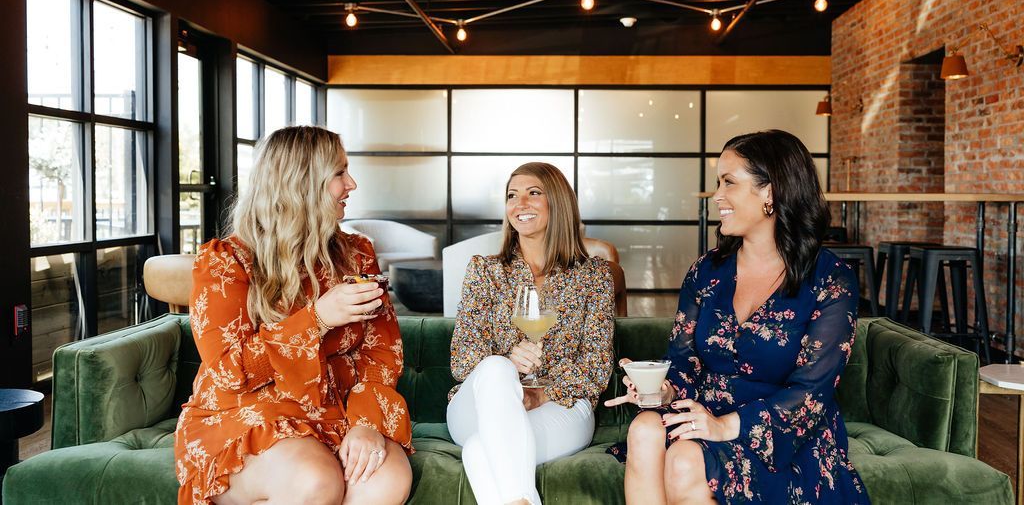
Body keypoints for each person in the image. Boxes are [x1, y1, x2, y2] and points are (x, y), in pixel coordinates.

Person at [606, 130, 869, 505]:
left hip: (783, 431)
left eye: (729, 182)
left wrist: (724, 426)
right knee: (645, 428)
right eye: (718, 183)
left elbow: (811, 392)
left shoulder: (829, 279)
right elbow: (684, 360)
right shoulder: (706, 272)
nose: (717, 196)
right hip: (706, 409)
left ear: (771, 192)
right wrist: (661, 389)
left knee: (683, 459)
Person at [174, 126, 412, 505]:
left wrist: (367, 423)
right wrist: (317, 318)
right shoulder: (226, 261)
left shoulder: (357, 253)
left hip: (337, 411)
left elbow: (382, 351)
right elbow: (229, 371)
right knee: (315, 479)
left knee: (387, 477)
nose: (351, 183)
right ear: (301, 183)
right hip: (250, 415)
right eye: (339, 173)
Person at [448, 162, 616, 505]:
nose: (520, 204)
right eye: (512, 195)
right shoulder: (485, 270)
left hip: (562, 406)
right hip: (477, 406)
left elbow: (597, 367)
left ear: (558, 203)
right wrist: (508, 364)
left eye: (533, 193)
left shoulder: (594, 276)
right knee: (497, 369)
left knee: (484, 448)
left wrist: (541, 395)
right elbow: (462, 358)